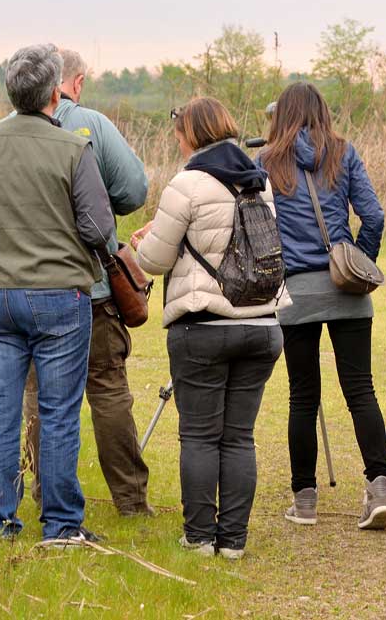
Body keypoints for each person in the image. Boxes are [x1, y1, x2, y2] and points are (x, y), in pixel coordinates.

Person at [0, 43, 113, 546]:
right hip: (60, 296)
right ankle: (62, 526)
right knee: (59, 411)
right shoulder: (72, 147)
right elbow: (100, 228)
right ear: (54, 91)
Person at [131, 97, 283, 559]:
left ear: (192, 135)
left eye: (179, 134)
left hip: (203, 325)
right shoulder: (260, 182)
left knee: (199, 436)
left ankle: (199, 538)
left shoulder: (187, 183)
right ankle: (233, 541)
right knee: (239, 436)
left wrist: (145, 241)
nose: (177, 142)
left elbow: (154, 261)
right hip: (261, 322)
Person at [23, 48, 152, 518]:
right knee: (108, 387)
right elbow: (135, 189)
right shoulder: (93, 125)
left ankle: (44, 495)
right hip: (93, 286)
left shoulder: (15, 127)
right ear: (73, 82)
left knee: (41, 395)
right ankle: (131, 501)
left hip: (34, 286)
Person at [259, 82, 386, 530]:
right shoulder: (343, 152)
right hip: (344, 285)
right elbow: (372, 216)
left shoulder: (267, 162)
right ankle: (378, 487)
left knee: (303, 395)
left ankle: (306, 499)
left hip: (295, 288)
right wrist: (359, 261)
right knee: (361, 390)